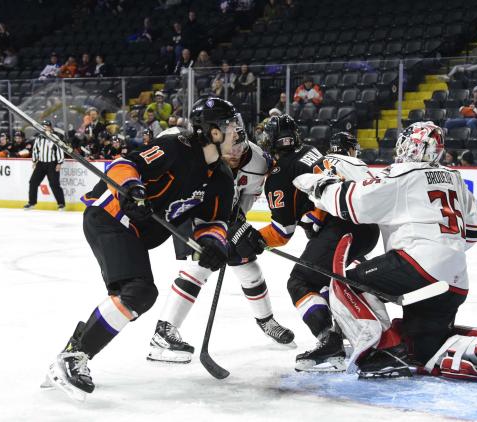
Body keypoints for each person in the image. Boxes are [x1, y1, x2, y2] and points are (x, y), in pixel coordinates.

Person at [292, 121, 477, 381]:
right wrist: (445, 249)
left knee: (347, 284)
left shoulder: (402, 174)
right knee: (427, 349)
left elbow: (355, 203)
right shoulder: (455, 178)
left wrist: (318, 185)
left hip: (417, 264)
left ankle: (382, 353)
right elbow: (474, 230)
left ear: (410, 146)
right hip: (455, 277)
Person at [43, 97, 237, 401]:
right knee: (139, 291)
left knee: (136, 293)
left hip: (134, 233)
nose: (237, 132)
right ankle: (72, 357)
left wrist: (213, 244)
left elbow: (213, 222)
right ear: (212, 131)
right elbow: (124, 165)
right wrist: (133, 190)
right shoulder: (176, 147)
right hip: (110, 217)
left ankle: (73, 351)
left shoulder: (223, 180)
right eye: (230, 125)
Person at [230, 119, 379, 372]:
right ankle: (356, 328)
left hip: (342, 229)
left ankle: (329, 344)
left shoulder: (279, 174)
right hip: (366, 225)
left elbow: (282, 231)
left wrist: (251, 238)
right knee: (329, 279)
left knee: (300, 282)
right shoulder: (311, 151)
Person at [149, 110, 295, 363]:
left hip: (225, 216)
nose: (234, 154)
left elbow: (246, 201)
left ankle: (266, 321)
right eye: (229, 149)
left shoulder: (259, 162)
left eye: (239, 148)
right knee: (200, 266)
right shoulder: (201, 150)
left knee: (250, 269)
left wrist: (235, 226)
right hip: (193, 210)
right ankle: (163, 332)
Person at [24, 121, 66, 210]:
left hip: (52, 163)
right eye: (43, 127)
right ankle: (32, 202)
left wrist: (59, 163)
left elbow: (59, 150)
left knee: (54, 184)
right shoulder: (39, 138)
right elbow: (35, 150)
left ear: (50, 128)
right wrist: (34, 161)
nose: (44, 128)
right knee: (33, 182)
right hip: (41, 164)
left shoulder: (55, 137)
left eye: (46, 126)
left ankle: (61, 203)